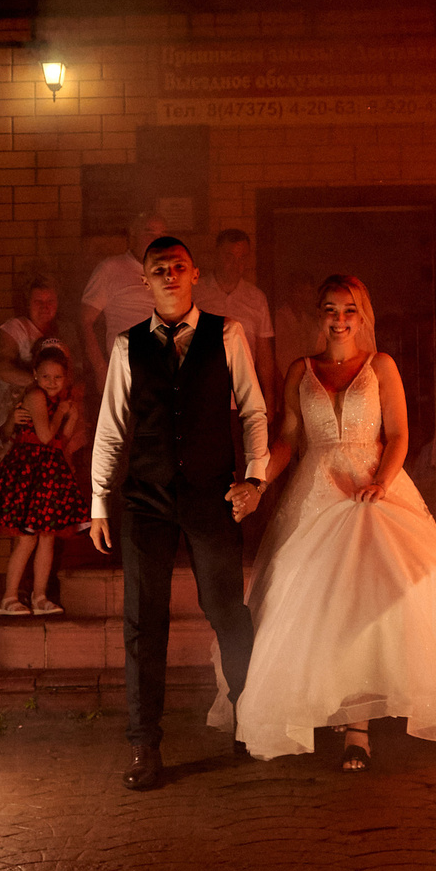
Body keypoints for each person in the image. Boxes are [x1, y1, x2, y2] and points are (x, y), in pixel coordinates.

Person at [222, 275, 436, 768]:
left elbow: (399, 434)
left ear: (362, 315)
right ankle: (315, 709)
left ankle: (360, 728)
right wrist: (258, 482)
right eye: (330, 309)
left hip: (373, 485)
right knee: (308, 595)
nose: (340, 319)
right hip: (317, 489)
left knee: (414, 582)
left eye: (349, 310)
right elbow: (287, 437)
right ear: (319, 316)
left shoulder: (381, 366)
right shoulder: (300, 370)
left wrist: (381, 483)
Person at [89, 236, 266, 790]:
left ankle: (248, 717)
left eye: (178, 267)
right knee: (144, 620)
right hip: (146, 498)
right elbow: (112, 429)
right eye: (158, 269)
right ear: (145, 282)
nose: (169, 275)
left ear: (195, 275)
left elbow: (255, 411)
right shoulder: (126, 347)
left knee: (226, 609)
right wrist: (98, 502)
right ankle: (145, 745)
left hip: (212, 494)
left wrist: (256, 476)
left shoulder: (228, 333)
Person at [0, 346, 87, 615]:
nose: (52, 383)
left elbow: (58, 442)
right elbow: (43, 436)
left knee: (47, 536)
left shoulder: (58, 400)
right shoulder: (36, 395)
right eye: (46, 377)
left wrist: (70, 419)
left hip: (47, 472)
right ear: (35, 376)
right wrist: (62, 414)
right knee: (27, 538)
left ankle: (39, 597)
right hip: (28, 471)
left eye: (58, 377)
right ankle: (8, 598)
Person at [194, 228, 278, 407]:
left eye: (242, 258)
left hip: (243, 401)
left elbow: (264, 356)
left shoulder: (256, 298)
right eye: (229, 257)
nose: (236, 264)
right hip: (201, 399)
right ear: (216, 255)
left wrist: (269, 399)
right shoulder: (195, 293)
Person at [79, 215, 165, 389]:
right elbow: (85, 321)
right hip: (126, 371)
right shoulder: (111, 268)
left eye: (161, 235)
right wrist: (101, 368)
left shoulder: (169, 273)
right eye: (149, 232)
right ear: (133, 233)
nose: (155, 240)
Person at [0, 274, 63, 451]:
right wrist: (40, 385)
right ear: (28, 303)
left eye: (50, 301)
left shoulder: (64, 330)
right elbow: (3, 369)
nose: (45, 307)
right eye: (38, 301)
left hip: (56, 413)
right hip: (21, 413)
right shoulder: (14, 329)